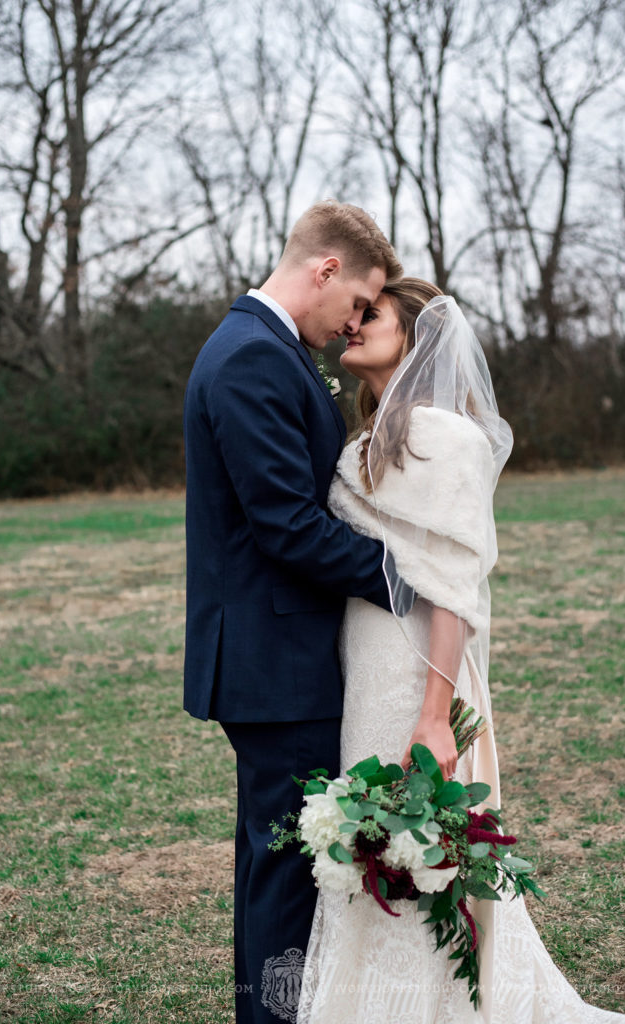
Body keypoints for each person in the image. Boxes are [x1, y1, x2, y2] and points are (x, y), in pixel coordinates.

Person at [297, 279, 625, 1024]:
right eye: (353, 314)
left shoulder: (447, 436)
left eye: (371, 316)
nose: (351, 325)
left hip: (421, 665)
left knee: (421, 841)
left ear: (416, 338)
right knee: (375, 843)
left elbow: (451, 587)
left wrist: (433, 714)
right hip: (368, 662)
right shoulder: (365, 438)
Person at [183, 200, 405, 1024]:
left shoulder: (263, 348)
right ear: (325, 270)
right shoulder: (251, 358)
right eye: (357, 302)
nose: (355, 323)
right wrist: (402, 577)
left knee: (276, 859)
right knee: (289, 867)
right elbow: (285, 525)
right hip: (276, 664)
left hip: (273, 658)